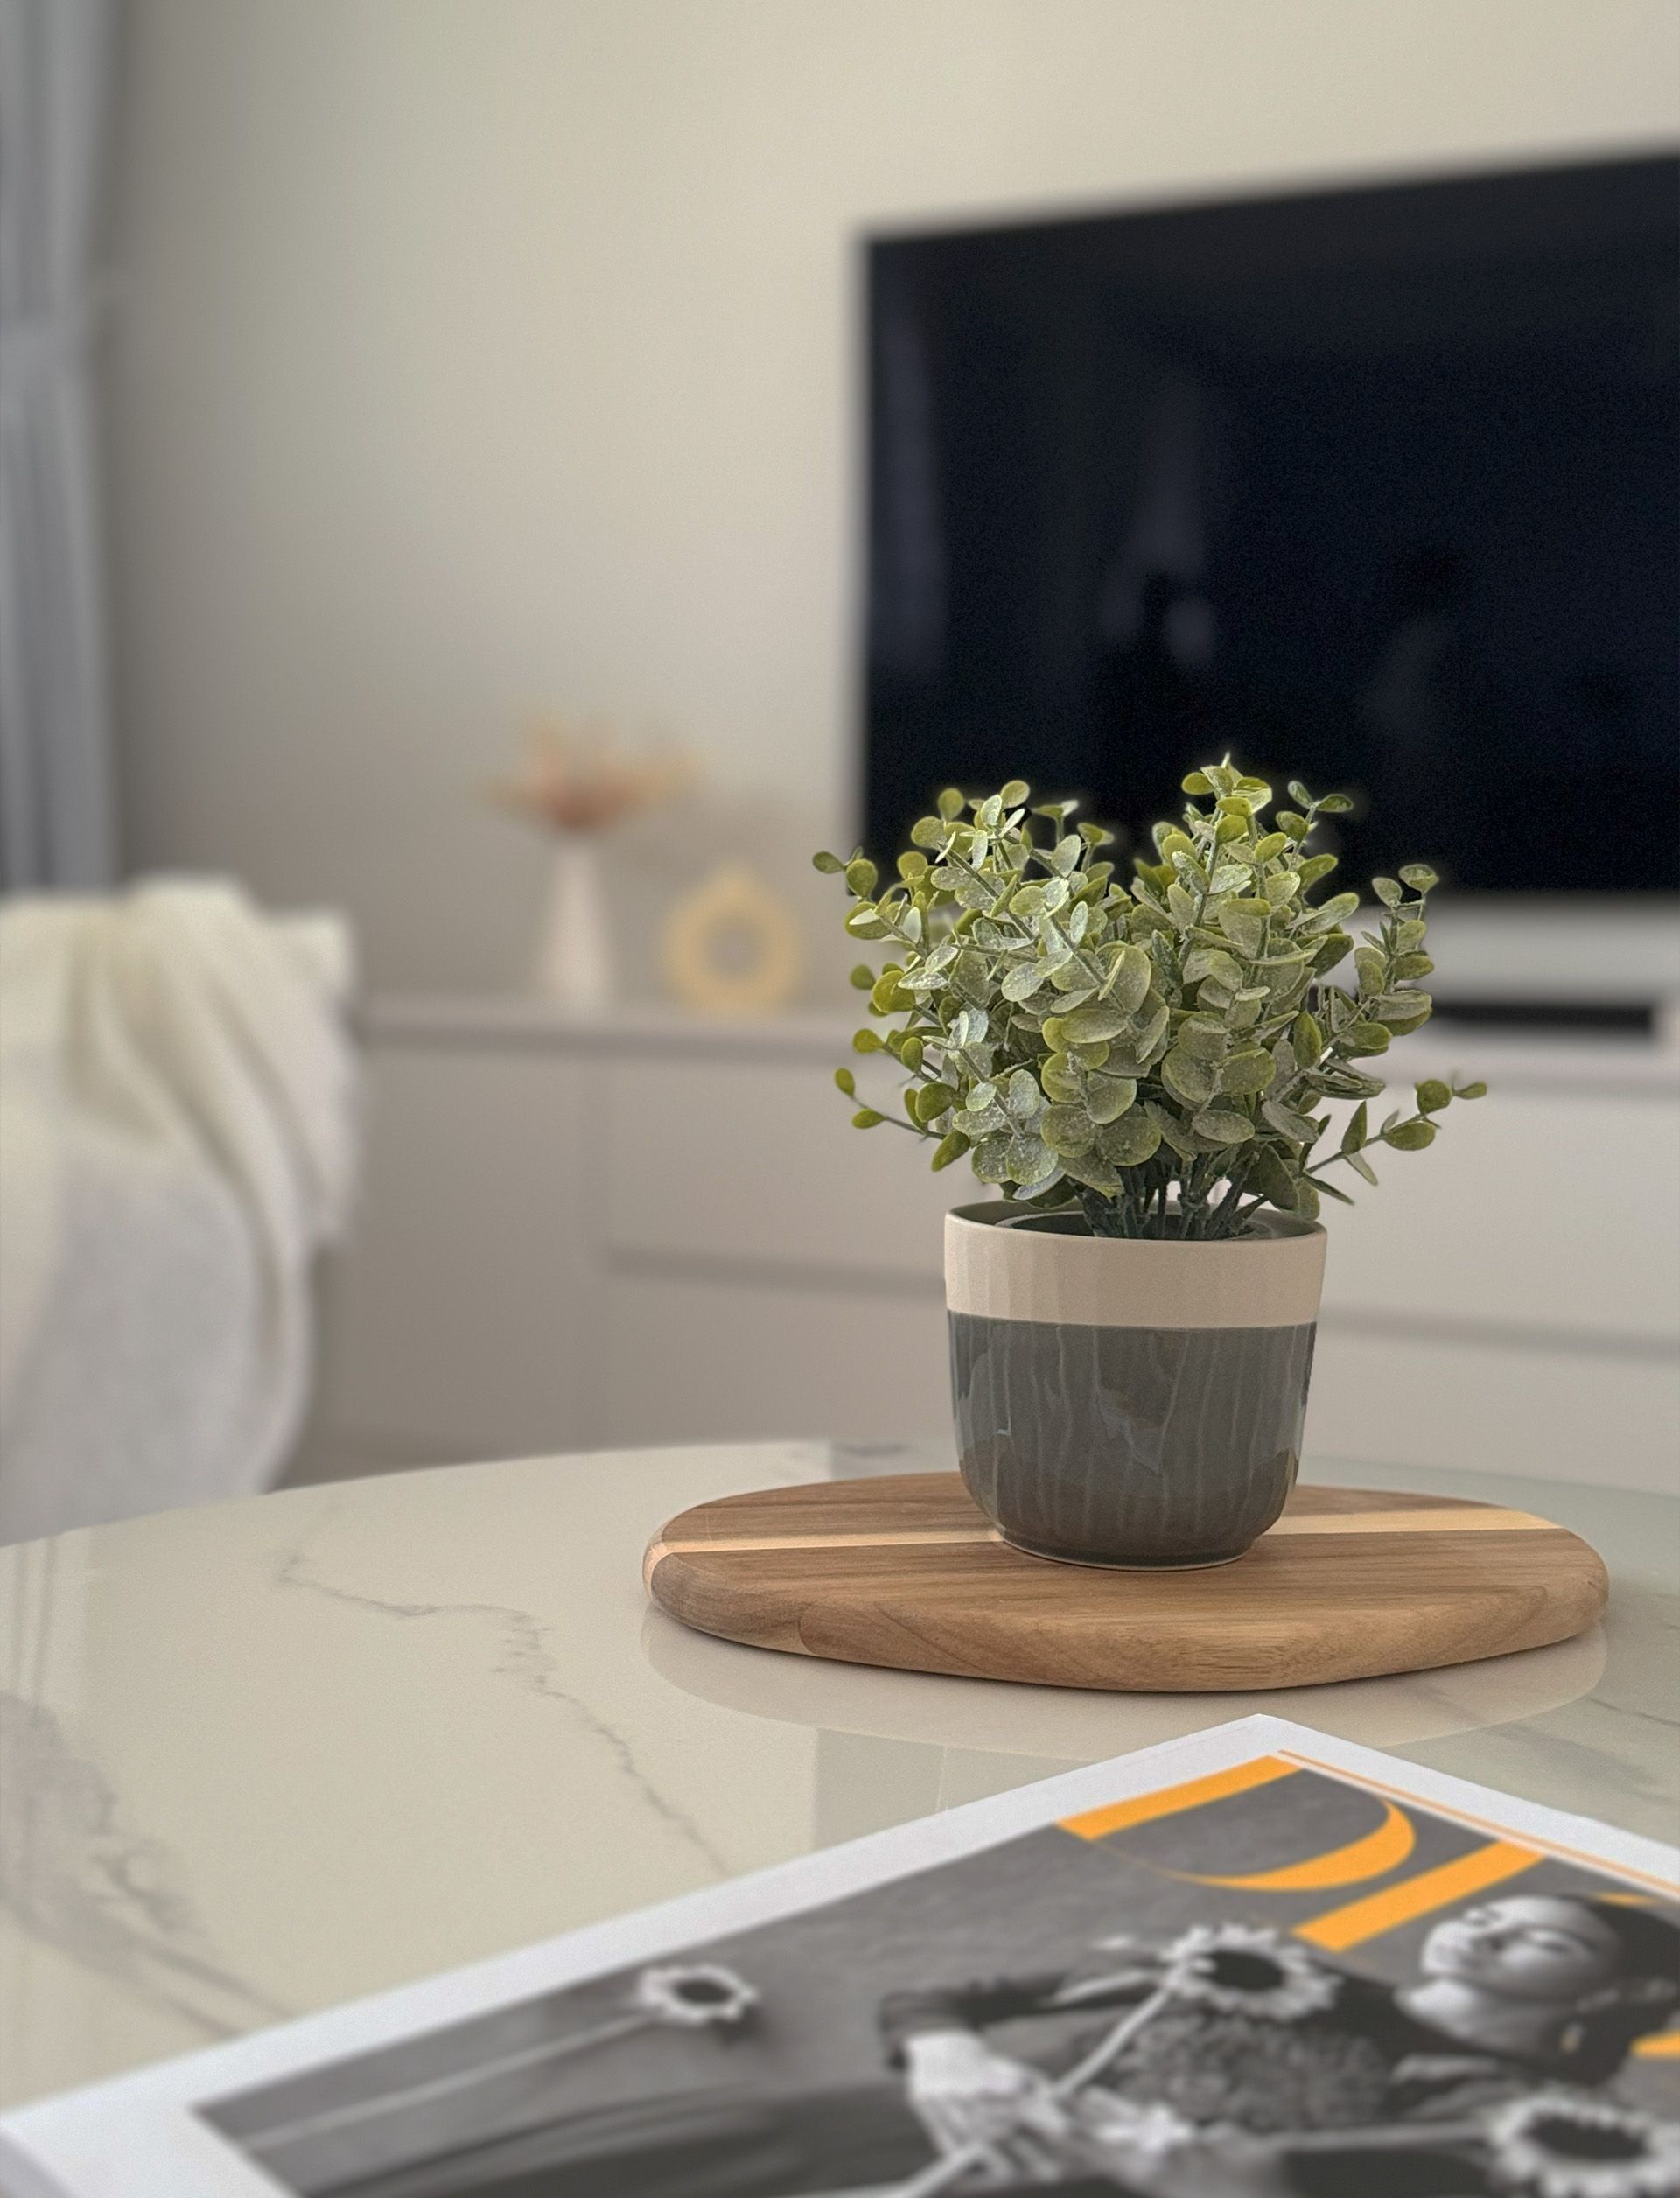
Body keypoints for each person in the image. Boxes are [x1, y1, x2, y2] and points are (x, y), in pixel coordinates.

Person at [885, 1896, 1680, 2186]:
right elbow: (932, 1999)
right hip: (915, 2134)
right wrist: (946, 2054)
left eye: (1543, 1941)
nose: (1486, 1935)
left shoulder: (1518, 2112)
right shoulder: (1268, 1969)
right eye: (1484, 1916)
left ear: (1616, 1992)